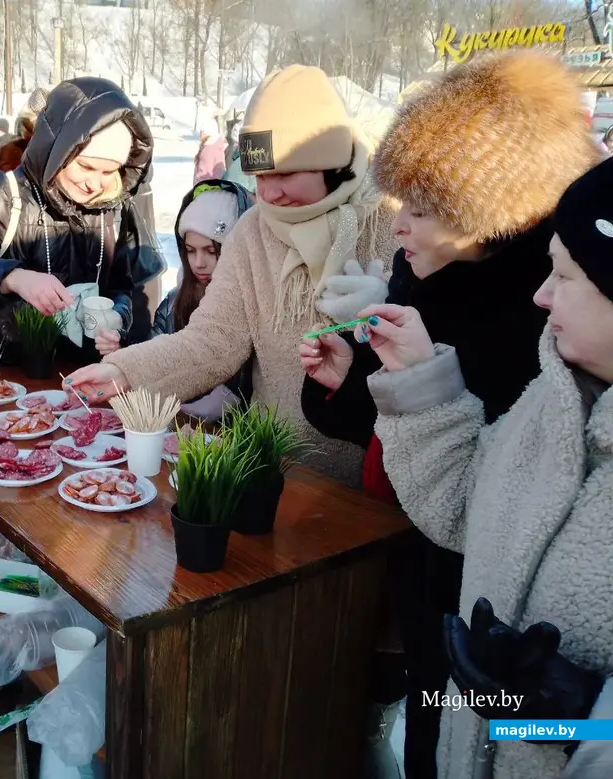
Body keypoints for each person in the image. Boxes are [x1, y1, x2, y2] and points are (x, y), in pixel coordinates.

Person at [298, 51, 601, 779]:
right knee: (437, 725)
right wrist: (348, 384)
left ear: (486, 216)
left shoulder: (559, 325)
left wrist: (587, 711)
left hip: (516, 618)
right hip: (436, 574)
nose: (398, 227)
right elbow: (423, 449)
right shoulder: (428, 268)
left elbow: (506, 477)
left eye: (422, 210)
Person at [355, 155, 613, 779]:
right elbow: (469, 504)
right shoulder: (556, 396)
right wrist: (418, 377)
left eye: (567, 275)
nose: (541, 294)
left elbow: (567, 730)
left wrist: (587, 717)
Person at [65, 65, 397, 486]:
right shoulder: (254, 231)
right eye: (260, 176)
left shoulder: (391, 226)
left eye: (285, 174)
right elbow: (212, 340)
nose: (269, 194)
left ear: (329, 165)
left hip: (367, 487)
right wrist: (126, 371)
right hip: (270, 470)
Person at [0, 77, 157, 366]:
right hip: (7, 381)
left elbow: (121, 287)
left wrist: (116, 319)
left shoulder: (112, 207)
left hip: (82, 380)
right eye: (86, 166)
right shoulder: (6, 193)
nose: (95, 183)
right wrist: (11, 278)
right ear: (58, 147)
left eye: (109, 171)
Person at [153, 179, 254, 420]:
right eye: (190, 250)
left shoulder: (254, 304)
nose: (199, 263)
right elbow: (155, 350)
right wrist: (119, 348)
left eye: (211, 251)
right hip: (176, 427)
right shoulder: (174, 301)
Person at [193, 117, 226, 184]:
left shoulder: (209, 149)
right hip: (211, 188)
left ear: (209, 132)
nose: (201, 135)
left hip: (205, 189)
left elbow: (204, 174)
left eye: (203, 132)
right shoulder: (214, 146)